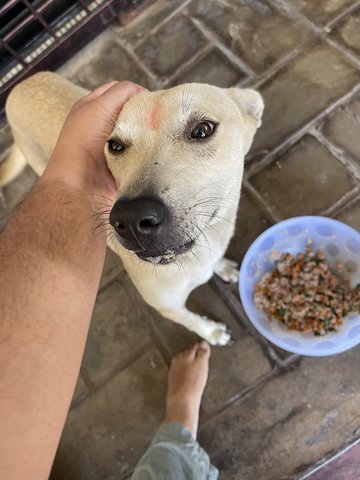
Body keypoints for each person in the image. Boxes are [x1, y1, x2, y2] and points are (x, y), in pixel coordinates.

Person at [0, 80, 218, 480]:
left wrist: (66, 183)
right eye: (117, 146)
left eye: (201, 131)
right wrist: (67, 183)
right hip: (27, 108)